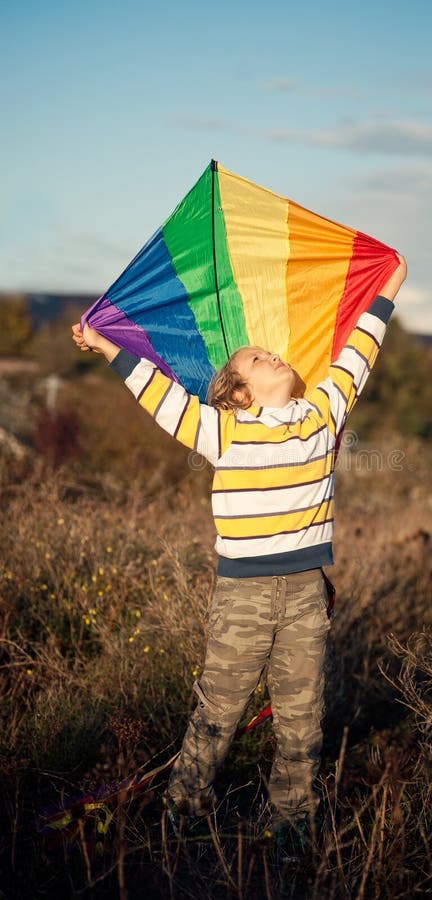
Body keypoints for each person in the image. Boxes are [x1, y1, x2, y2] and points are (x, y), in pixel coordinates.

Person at [72, 256, 407, 836]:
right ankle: (184, 811)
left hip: (305, 594)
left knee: (303, 724)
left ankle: (290, 829)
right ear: (237, 390)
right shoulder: (220, 429)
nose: (271, 355)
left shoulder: (324, 414)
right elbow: (158, 393)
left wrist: (390, 284)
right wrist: (106, 347)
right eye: (255, 357)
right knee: (218, 714)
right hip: (242, 597)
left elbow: (360, 352)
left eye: (271, 352)